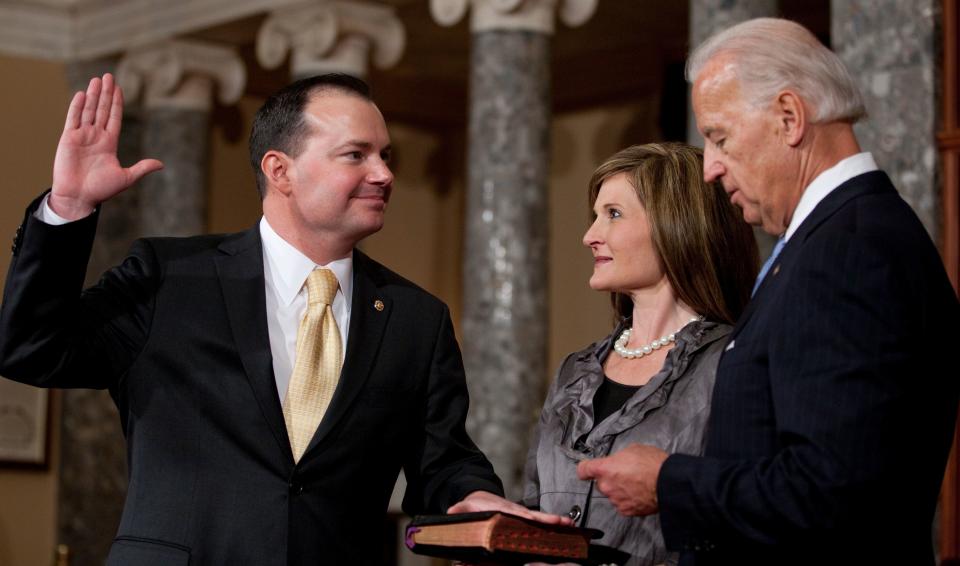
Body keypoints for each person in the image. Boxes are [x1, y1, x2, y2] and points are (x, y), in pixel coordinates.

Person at [0, 73, 565, 565]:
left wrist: (473, 498)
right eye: (357, 154)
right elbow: (30, 348)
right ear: (281, 170)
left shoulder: (417, 319)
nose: (384, 173)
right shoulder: (169, 277)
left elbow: (442, 461)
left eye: (386, 155)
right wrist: (69, 209)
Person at [576, 18, 960, 566]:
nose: (709, 167)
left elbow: (835, 489)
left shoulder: (849, 248)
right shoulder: (834, 238)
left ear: (789, 117)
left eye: (719, 137)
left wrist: (669, 482)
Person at [521, 142, 757, 566]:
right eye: (595, 216)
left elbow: (743, 514)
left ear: (677, 225)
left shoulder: (733, 361)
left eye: (613, 214)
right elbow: (534, 504)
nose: (590, 235)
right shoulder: (574, 370)